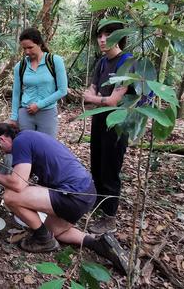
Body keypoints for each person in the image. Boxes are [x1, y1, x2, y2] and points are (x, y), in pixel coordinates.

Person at [0, 123, 129, 274]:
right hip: (86, 192)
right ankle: (98, 245)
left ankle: (43, 239)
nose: (2, 152)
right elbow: (26, 178)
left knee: (10, 197)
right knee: (54, 231)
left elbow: (18, 184)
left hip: (73, 194)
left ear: (1, 139)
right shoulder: (30, 136)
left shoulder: (20, 142)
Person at [82, 22, 134, 235]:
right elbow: (92, 87)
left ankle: (109, 218)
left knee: (110, 170)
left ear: (119, 37)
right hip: (98, 121)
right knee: (97, 166)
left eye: (108, 35)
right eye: (100, 35)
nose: (103, 39)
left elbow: (114, 100)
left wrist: (93, 98)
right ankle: (98, 206)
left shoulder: (127, 63)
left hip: (118, 124)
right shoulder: (102, 62)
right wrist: (93, 96)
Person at [10, 28, 68, 138]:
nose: (27, 52)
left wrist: (39, 105)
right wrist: (14, 117)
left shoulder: (55, 61)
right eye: (24, 48)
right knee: (26, 147)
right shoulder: (20, 66)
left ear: (40, 44)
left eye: (30, 47)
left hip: (47, 112)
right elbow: (16, 93)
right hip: (25, 113)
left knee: (46, 148)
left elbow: (62, 90)